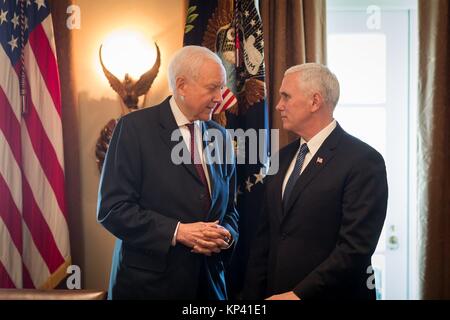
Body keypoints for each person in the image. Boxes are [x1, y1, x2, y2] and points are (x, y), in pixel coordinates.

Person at [97, 46, 239, 300]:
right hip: (149, 288)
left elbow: (230, 209)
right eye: (213, 88)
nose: (220, 97)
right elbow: (112, 208)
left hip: (209, 286)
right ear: (182, 85)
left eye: (222, 87)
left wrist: (225, 235)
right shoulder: (134, 129)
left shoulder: (220, 136)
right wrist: (178, 232)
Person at [243, 63, 388, 300]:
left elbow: (355, 249)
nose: (278, 105)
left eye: (286, 97)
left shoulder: (363, 161)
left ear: (315, 101)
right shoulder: (282, 157)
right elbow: (264, 238)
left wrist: (299, 295)